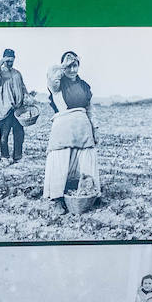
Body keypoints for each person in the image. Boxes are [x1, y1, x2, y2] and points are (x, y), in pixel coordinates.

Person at [43, 51, 100, 214]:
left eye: (75, 65)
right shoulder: (57, 84)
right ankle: (56, 199)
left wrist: (95, 129)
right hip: (63, 127)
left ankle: (88, 194)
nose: (72, 69)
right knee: (61, 161)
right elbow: (52, 75)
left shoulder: (84, 86)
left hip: (83, 127)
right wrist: (62, 66)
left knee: (85, 160)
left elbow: (90, 109)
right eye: (69, 66)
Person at [0, 48, 27, 163]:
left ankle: (17, 157)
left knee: (19, 133)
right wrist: (0, 64)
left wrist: (27, 96)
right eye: (7, 60)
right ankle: (5, 157)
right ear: (4, 59)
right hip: (5, 110)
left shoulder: (17, 73)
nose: (10, 63)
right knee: (4, 135)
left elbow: (23, 87)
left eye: (11, 60)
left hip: (18, 109)